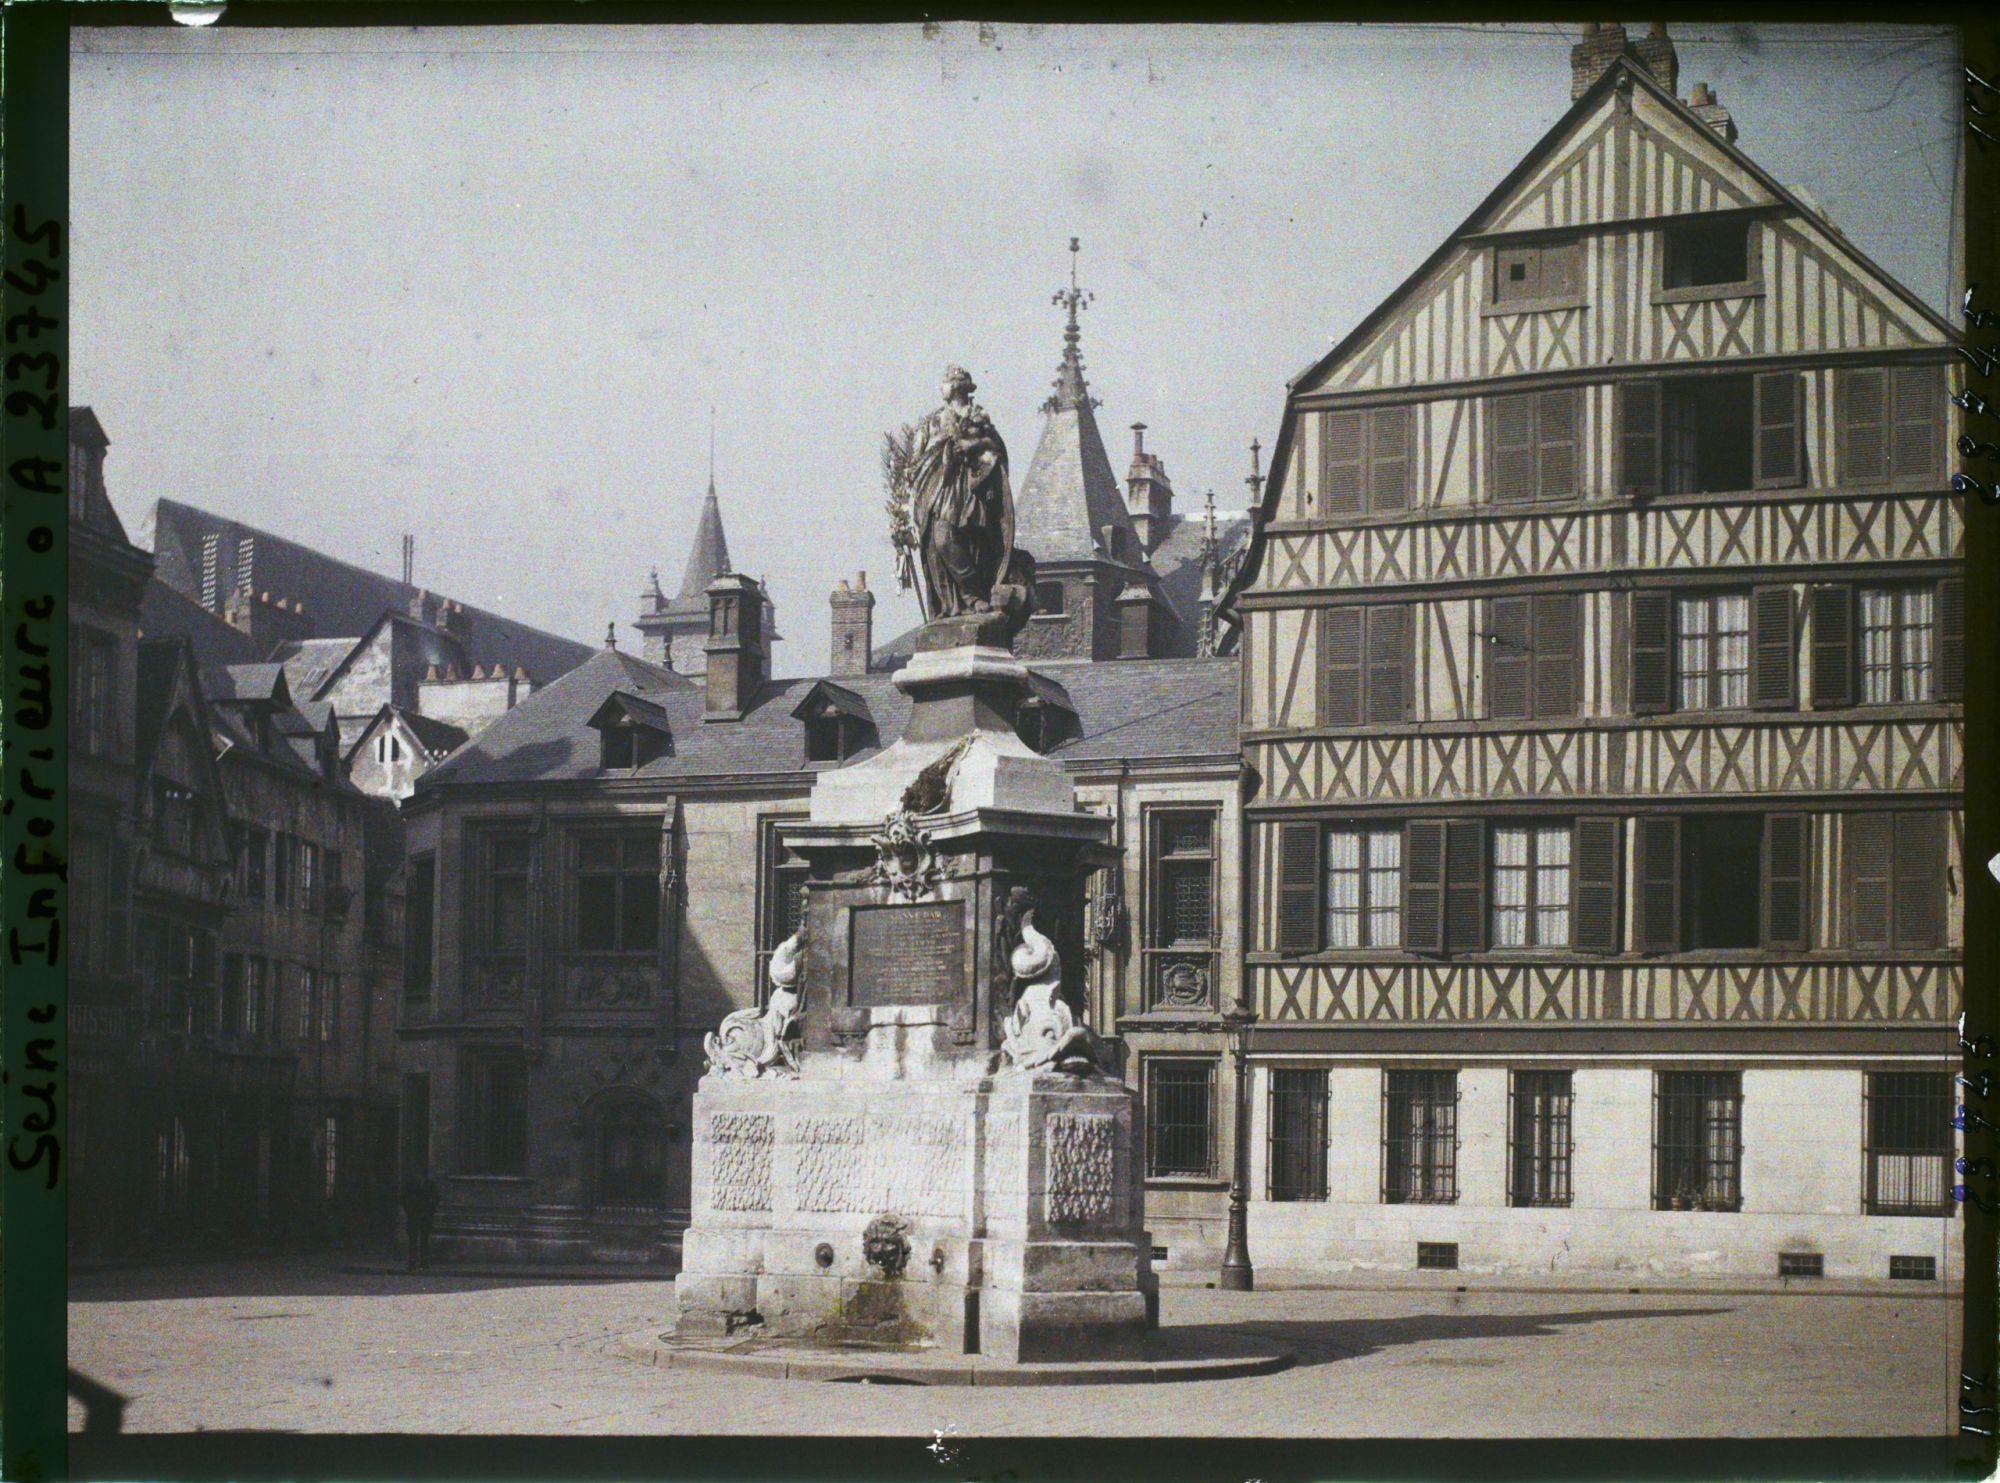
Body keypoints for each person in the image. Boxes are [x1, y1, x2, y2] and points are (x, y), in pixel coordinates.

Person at [907, 365, 1015, 619]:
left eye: (945, 382)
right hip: (939, 490)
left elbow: (995, 447)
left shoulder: (977, 415)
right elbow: (917, 459)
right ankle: (960, 600)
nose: (941, 388)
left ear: (957, 386)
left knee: (966, 542)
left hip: (968, 488)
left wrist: (971, 445)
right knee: (940, 541)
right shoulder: (934, 420)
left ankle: (974, 596)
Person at [400, 1176, 438, 1272]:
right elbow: (403, 1198)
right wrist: (409, 1210)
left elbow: (435, 1199)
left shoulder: (430, 1185)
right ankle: (412, 1262)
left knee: (424, 1240)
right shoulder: (410, 1185)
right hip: (413, 1216)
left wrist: (431, 1211)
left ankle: (424, 1262)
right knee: (413, 1241)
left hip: (425, 1216)